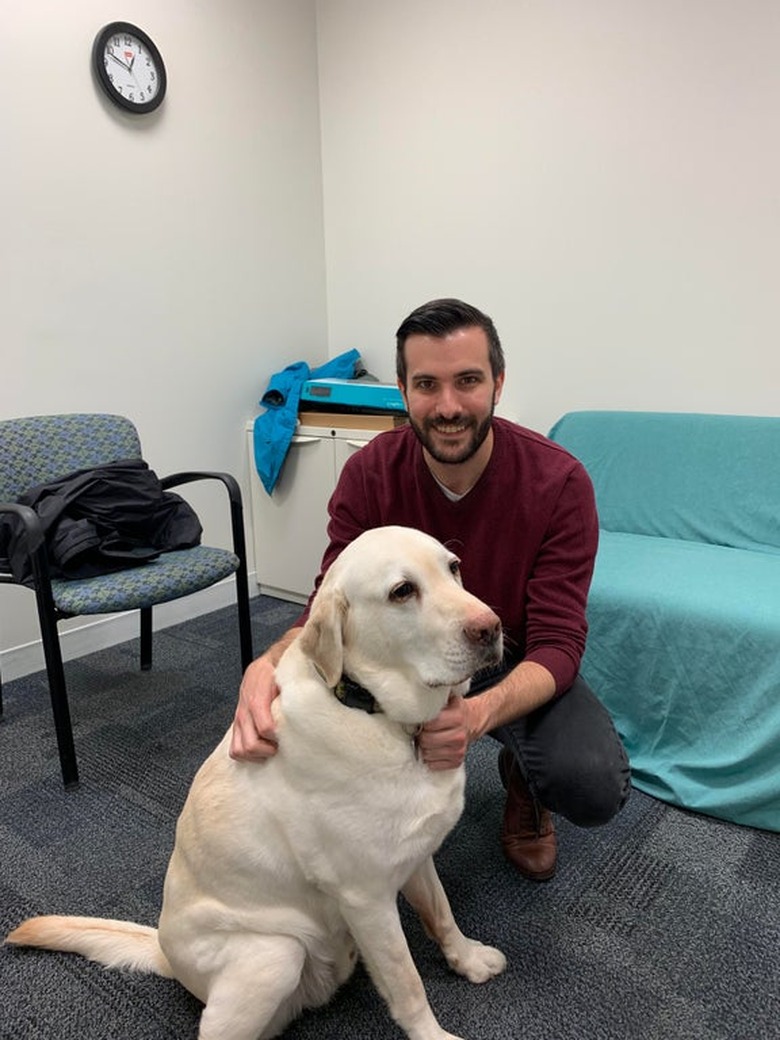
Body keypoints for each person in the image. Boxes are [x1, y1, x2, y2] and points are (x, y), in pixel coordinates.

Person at [231, 298, 630, 880]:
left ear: (498, 382)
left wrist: (473, 715)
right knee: (295, 705)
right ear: (401, 389)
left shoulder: (559, 482)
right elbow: (331, 600)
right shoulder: (369, 473)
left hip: (504, 648)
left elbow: (559, 641)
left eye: (468, 380)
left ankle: (525, 787)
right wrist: (264, 665)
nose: (447, 407)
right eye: (426, 385)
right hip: (406, 652)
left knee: (590, 782)